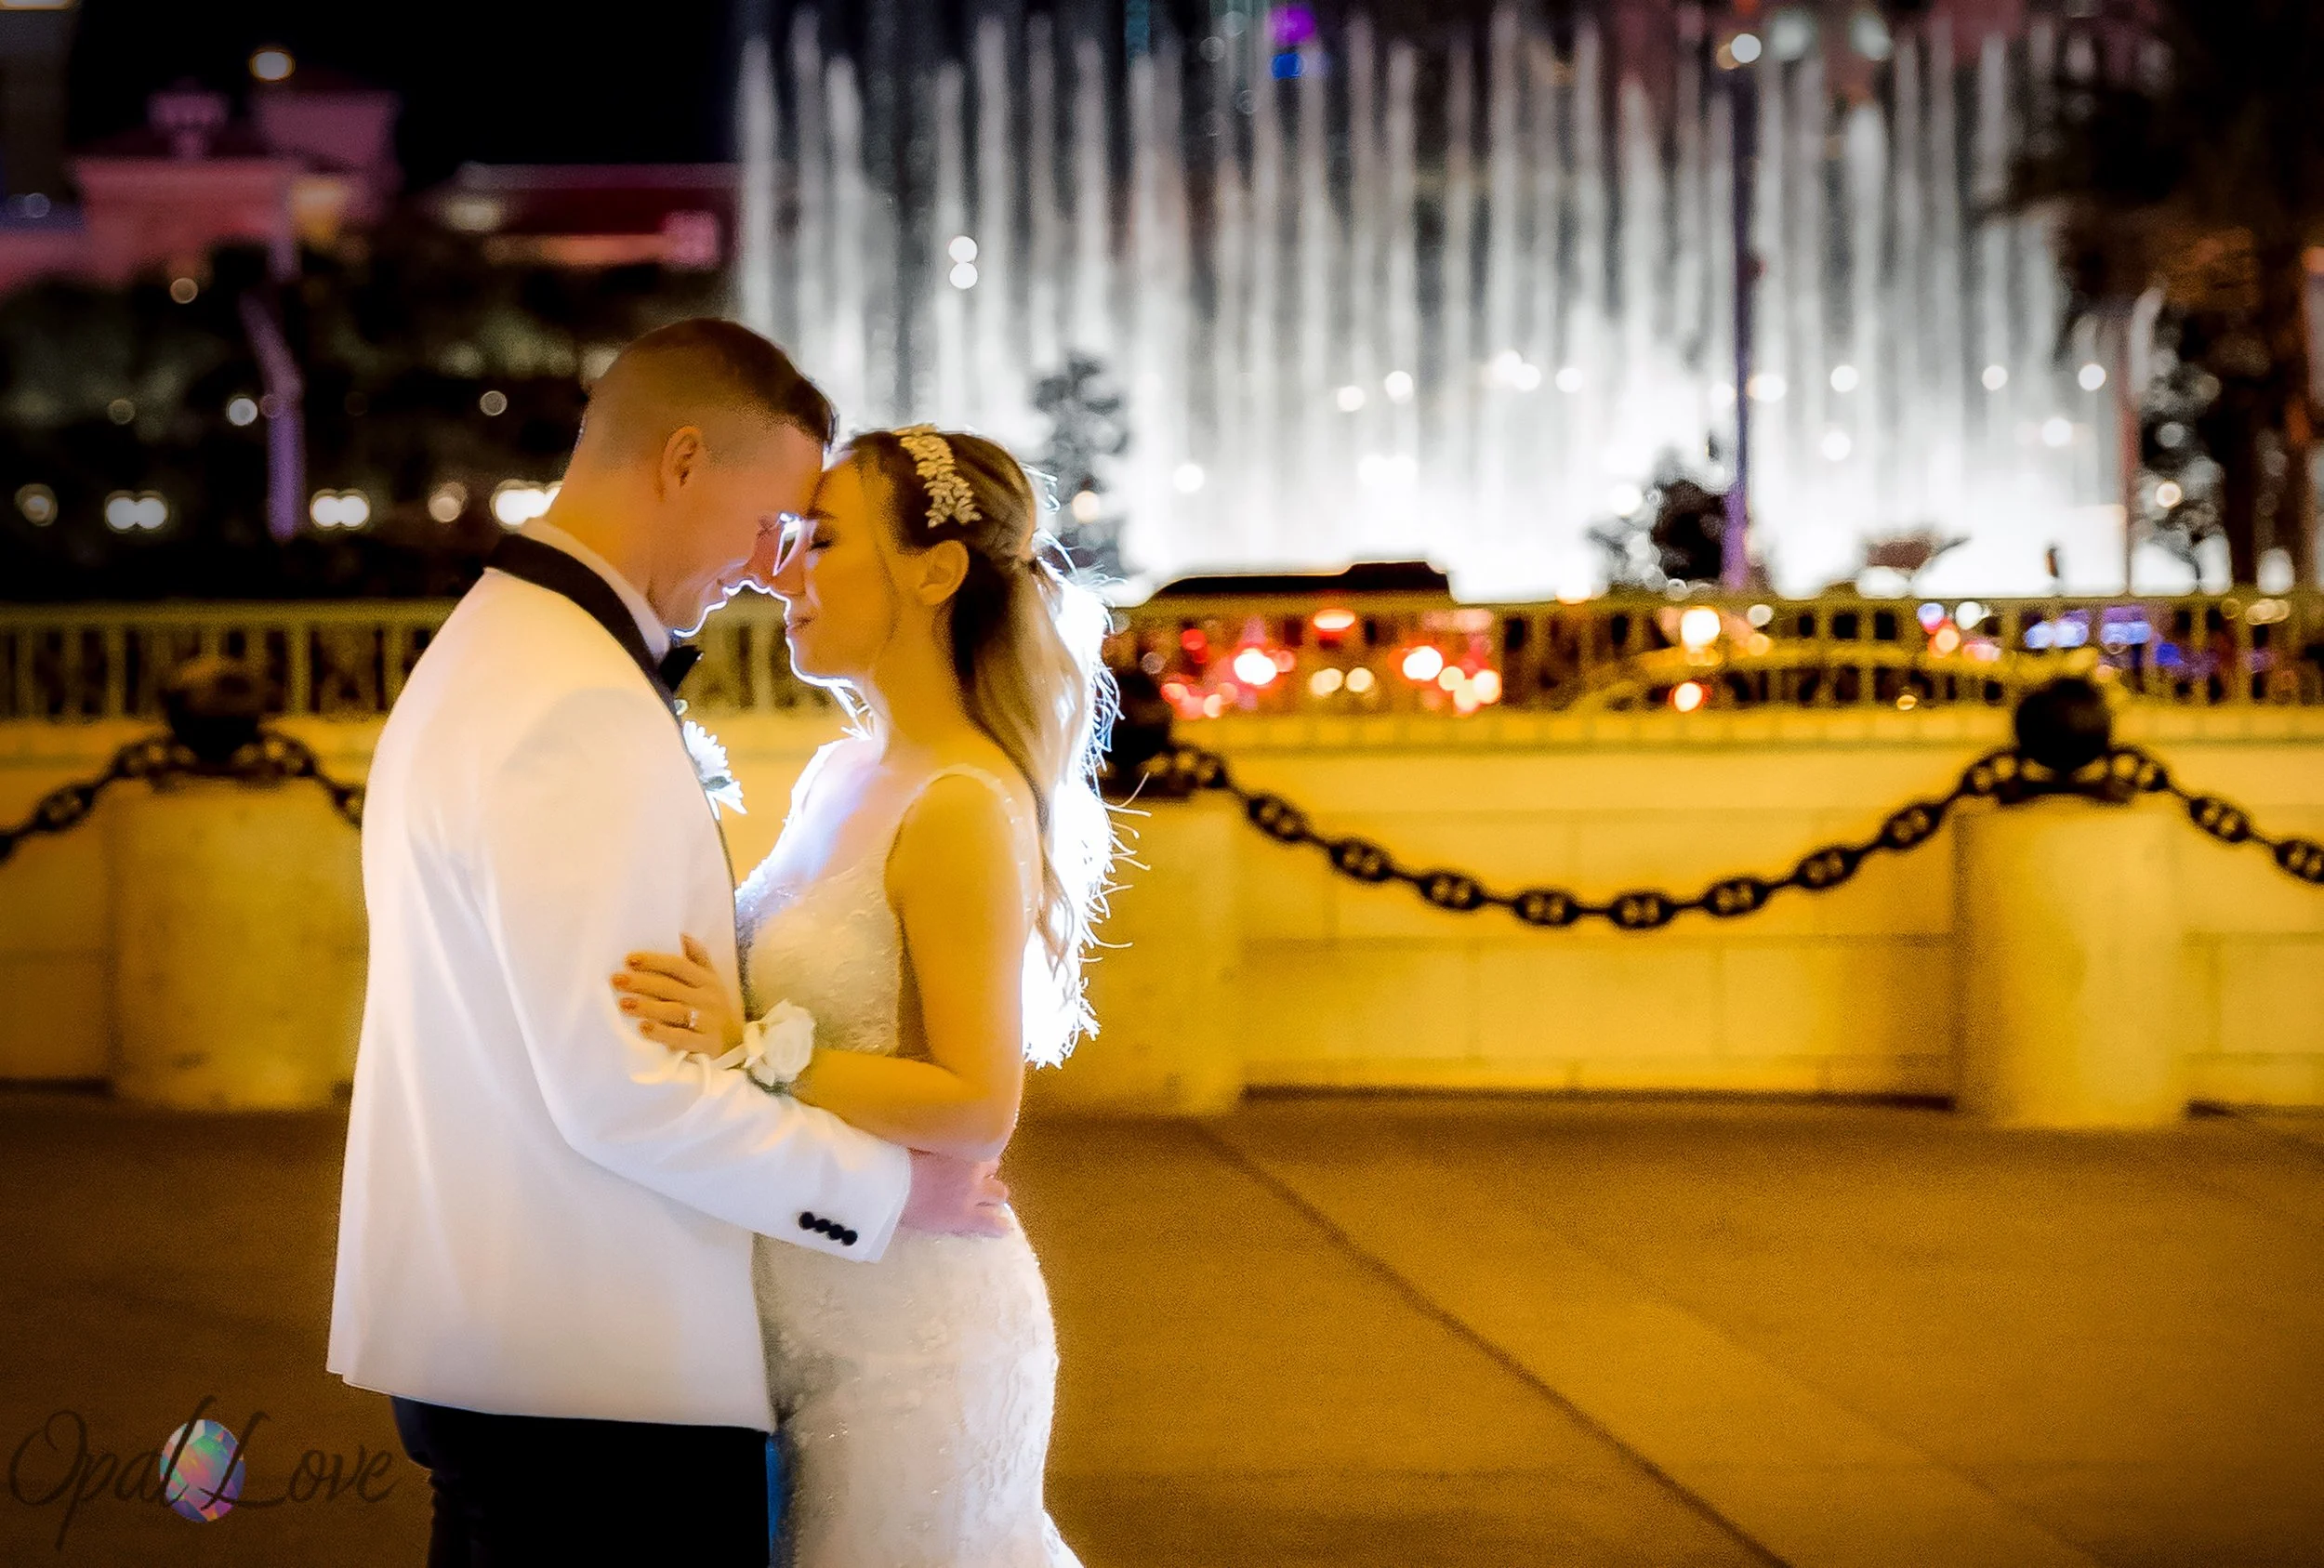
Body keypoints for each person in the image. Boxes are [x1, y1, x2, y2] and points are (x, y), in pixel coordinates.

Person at [327, 320, 1011, 1567]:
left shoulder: (496, 646)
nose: (769, 570)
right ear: (683, 459)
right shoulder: (577, 701)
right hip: (595, 1365)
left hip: (510, 1337)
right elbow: (624, 1091)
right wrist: (893, 1191)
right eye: (768, 525)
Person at [611, 425, 1116, 1565]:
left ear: (934, 570)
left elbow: (976, 1105)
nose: (783, 572)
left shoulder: (958, 807)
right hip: (799, 1311)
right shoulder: (845, 771)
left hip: (910, 1343)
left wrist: (750, 1047)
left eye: (823, 540)